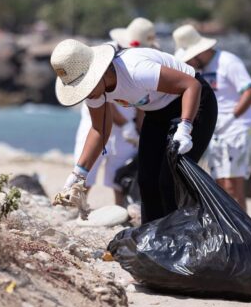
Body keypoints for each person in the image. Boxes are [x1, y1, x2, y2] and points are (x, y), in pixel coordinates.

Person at [50, 38, 217, 223]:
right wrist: (79, 173)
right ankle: (154, 238)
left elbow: (191, 85)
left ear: (99, 73)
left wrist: (185, 127)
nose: (86, 94)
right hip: (157, 113)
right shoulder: (95, 91)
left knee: (169, 180)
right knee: (146, 180)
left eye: (85, 87)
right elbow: (100, 129)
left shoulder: (136, 69)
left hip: (194, 103)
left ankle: (180, 237)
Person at [71, 18, 159, 207]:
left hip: (126, 126)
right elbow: (102, 98)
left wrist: (137, 126)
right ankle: (78, 209)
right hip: (98, 121)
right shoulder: (105, 54)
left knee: (121, 173)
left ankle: (120, 212)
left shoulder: (143, 60)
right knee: (88, 169)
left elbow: (144, 96)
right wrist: (125, 124)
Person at [173, 24, 251, 211]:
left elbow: (250, 92)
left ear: (199, 53)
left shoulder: (227, 61)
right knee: (220, 184)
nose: (190, 63)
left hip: (237, 129)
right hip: (216, 131)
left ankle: (240, 230)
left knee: (233, 185)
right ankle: (229, 226)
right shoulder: (198, 69)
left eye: (190, 59)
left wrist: (231, 117)